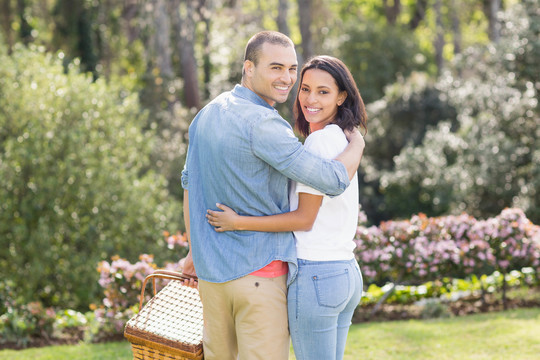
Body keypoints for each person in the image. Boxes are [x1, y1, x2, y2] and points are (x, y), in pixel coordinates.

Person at [181, 31, 365, 360]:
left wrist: (194, 252)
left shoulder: (206, 114)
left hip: (211, 277)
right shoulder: (266, 125)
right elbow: (334, 180)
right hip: (260, 275)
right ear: (248, 67)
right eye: (276, 67)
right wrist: (358, 144)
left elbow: (189, 186)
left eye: (292, 69)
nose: (287, 79)